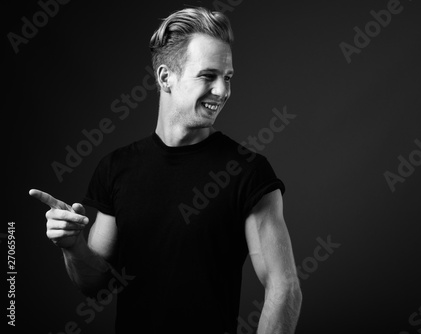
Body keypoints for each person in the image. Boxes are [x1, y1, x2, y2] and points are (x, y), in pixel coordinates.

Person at [30, 7, 302, 334]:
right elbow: (97, 285)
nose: (222, 90)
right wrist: (73, 247)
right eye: (208, 76)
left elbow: (283, 286)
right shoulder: (116, 168)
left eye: (227, 77)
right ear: (165, 77)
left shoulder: (248, 172)